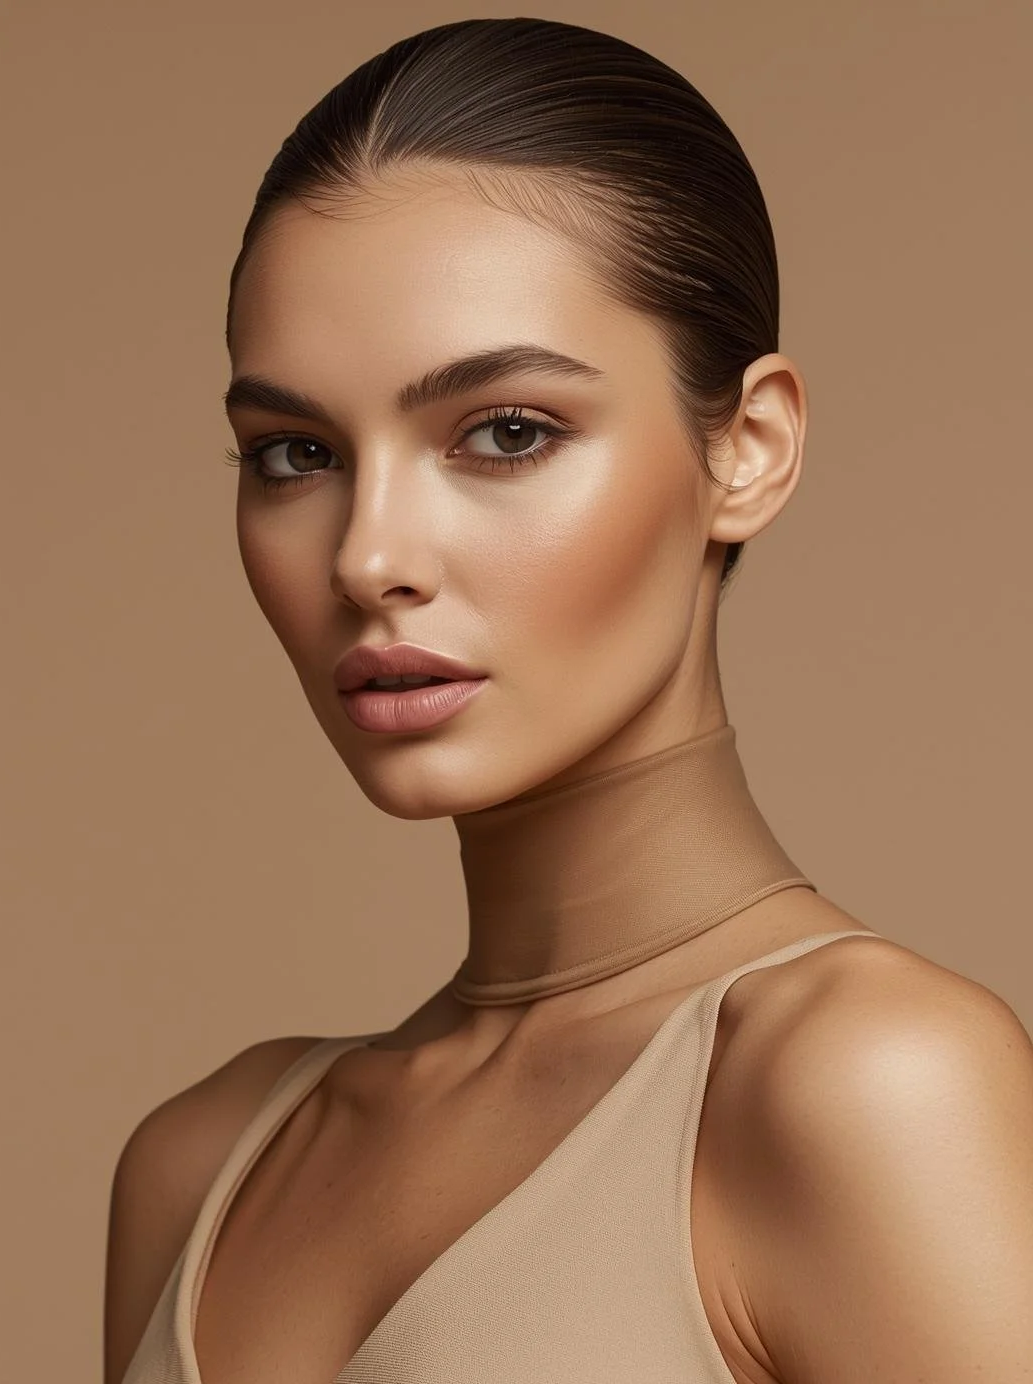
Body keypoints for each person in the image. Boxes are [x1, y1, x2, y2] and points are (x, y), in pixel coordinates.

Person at [104, 17, 1033, 1384]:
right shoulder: (201, 1165)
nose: (368, 556)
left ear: (750, 448)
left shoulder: (861, 1083)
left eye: (506, 432)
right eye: (295, 453)